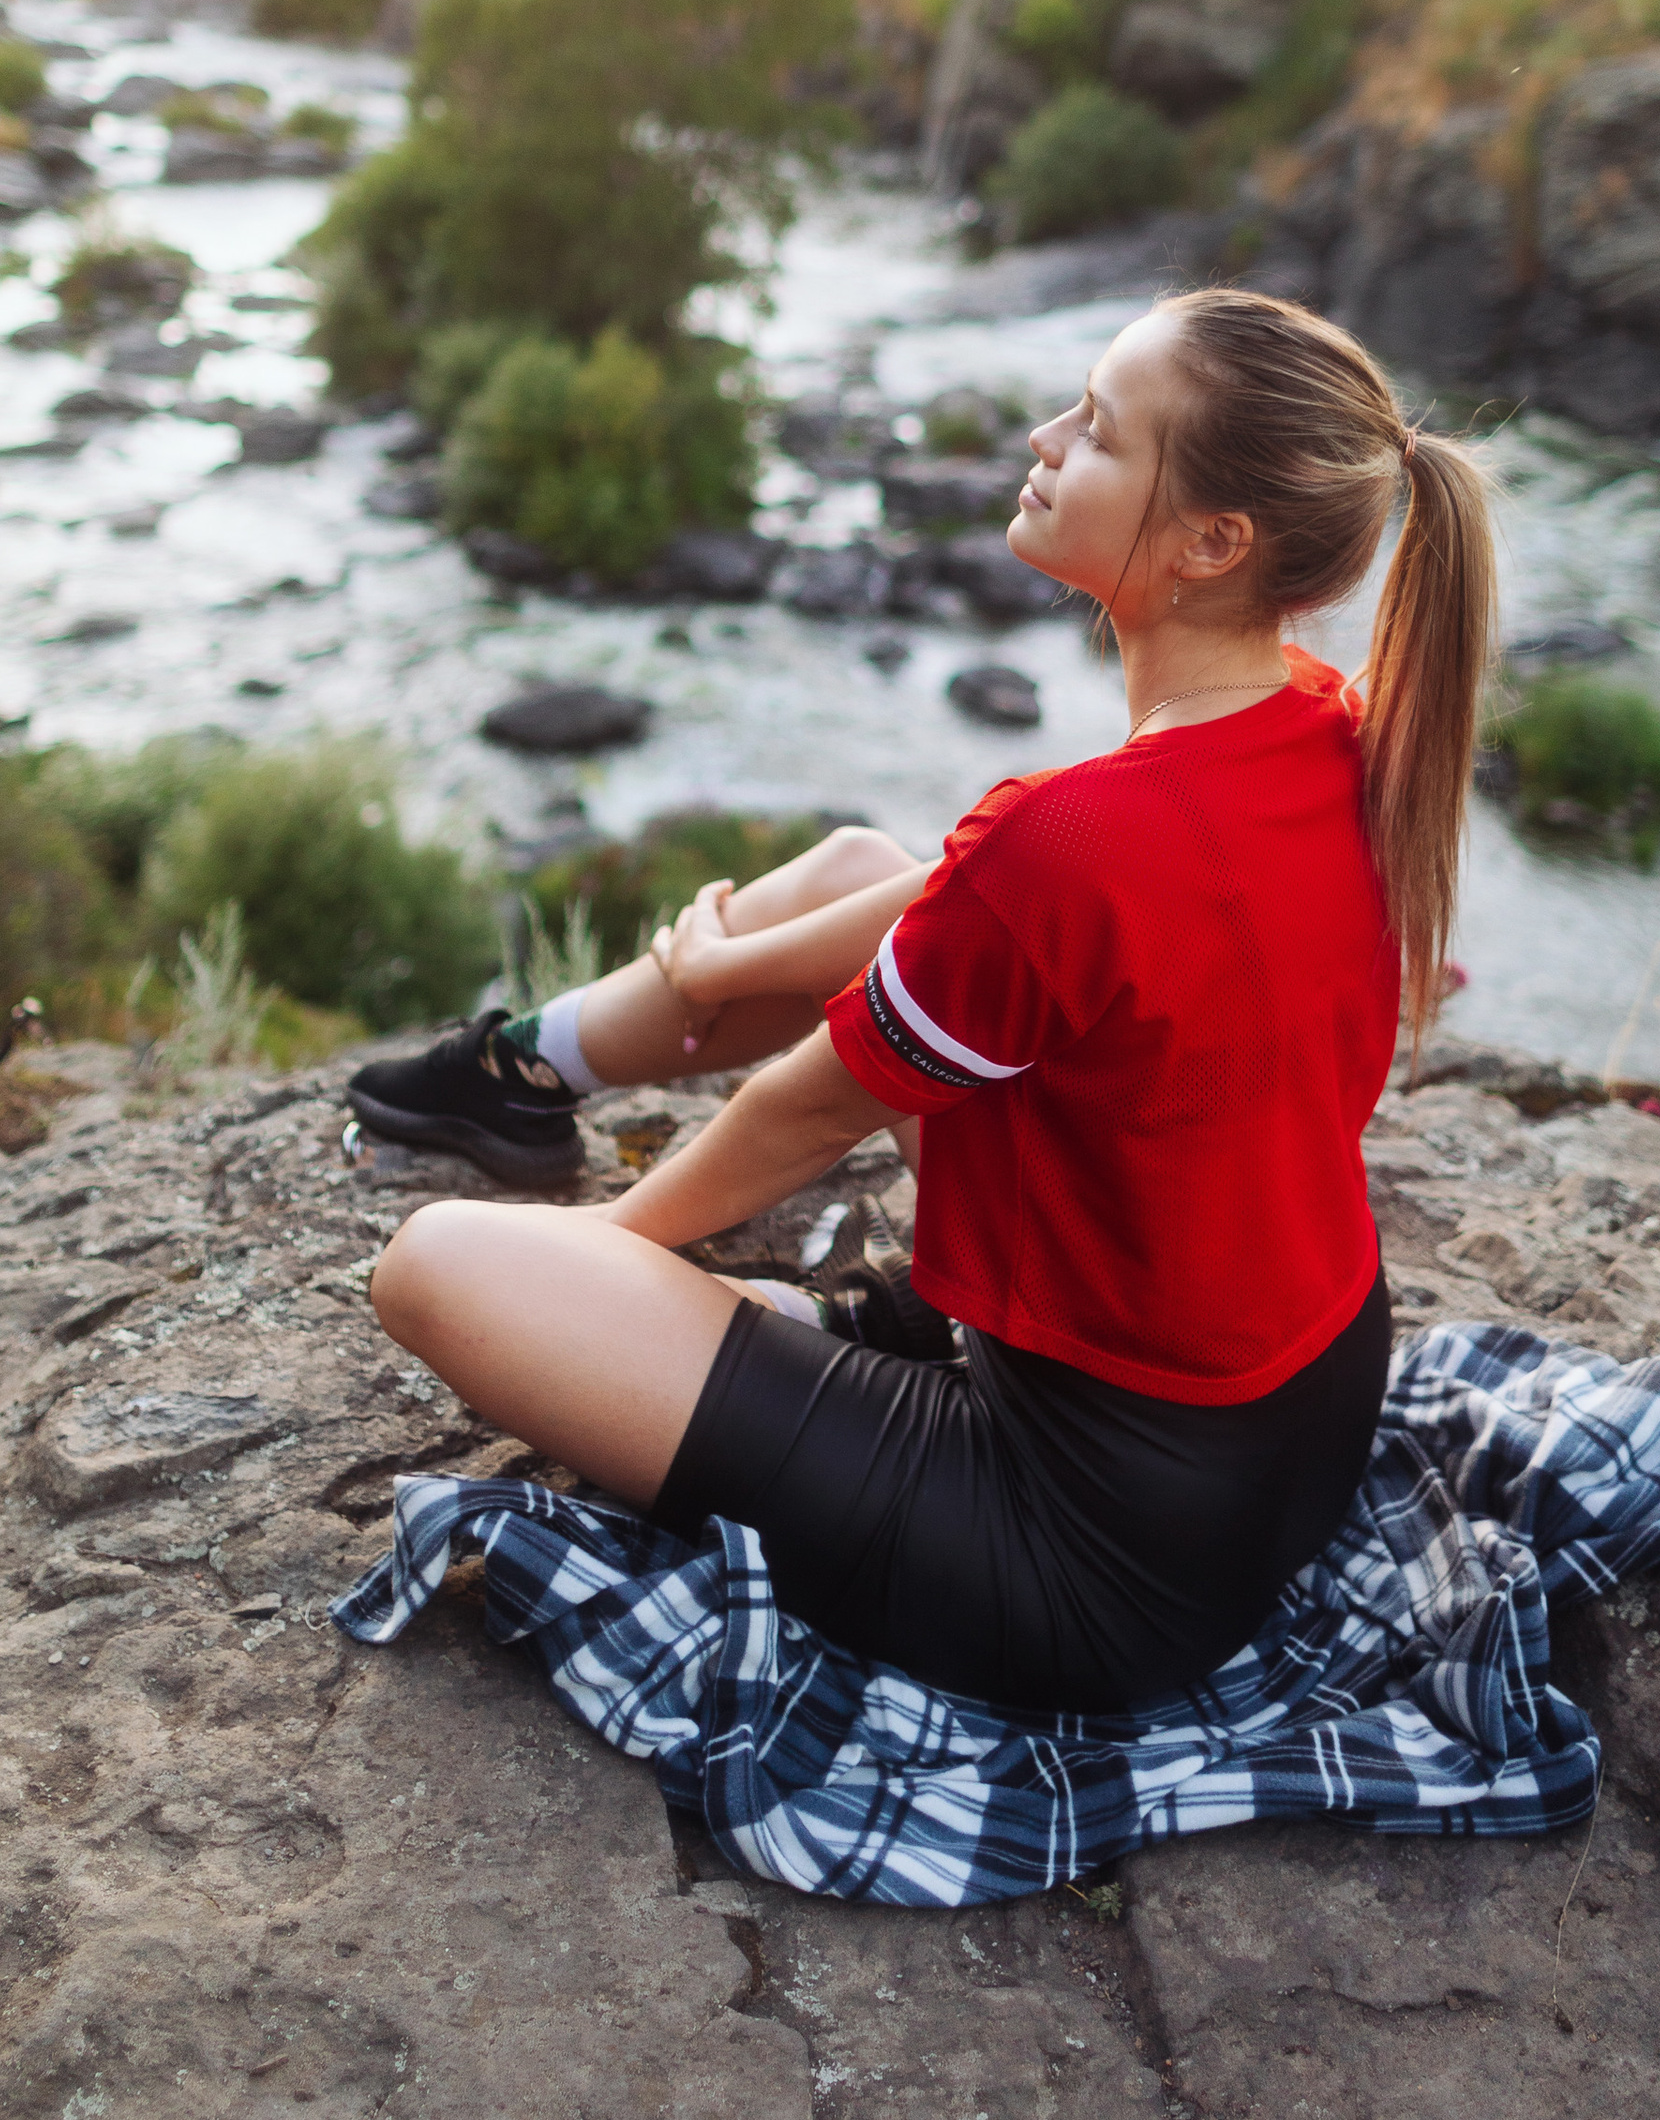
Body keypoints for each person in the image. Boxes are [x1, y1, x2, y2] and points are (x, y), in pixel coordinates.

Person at [359, 286, 1494, 1718]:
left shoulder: (1078, 835)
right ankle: (531, 1070)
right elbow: (980, 902)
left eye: (1096, 431)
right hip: (1293, 1425)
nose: (1042, 437)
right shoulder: (1324, 723)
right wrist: (719, 967)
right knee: (857, 867)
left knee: (437, 1268)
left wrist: (609, 1264)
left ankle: (660, 1250)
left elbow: (813, 1104)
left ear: (1214, 543)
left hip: (1093, 1557)